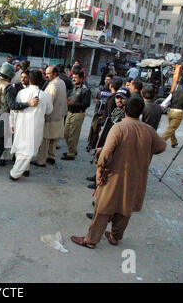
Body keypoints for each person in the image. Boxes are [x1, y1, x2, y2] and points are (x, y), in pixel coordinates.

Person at [71, 97, 166, 249]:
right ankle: (115, 237)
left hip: (115, 175)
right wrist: (143, 150)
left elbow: (106, 153)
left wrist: (100, 171)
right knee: (125, 208)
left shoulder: (120, 127)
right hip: (136, 177)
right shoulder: (148, 130)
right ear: (141, 112)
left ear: (125, 110)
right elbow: (161, 147)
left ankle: (91, 240)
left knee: (103, 208)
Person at [0, 63, 39, 176]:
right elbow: (13, 105)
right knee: (0, 144)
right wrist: (28, 103)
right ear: (10, 75)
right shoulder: (8, 87)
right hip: (2, 117)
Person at [10, 70, 53, 180]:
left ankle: (25, 169)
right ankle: (15, 173)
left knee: (21, 148)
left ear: (29, 79)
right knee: (28, 151)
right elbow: (49, 111)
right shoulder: (45, 96)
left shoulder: (21, 93)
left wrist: (12, 123)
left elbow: (15, 109)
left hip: (21, 124)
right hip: (35, 127)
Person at [35, 66, 67, 166]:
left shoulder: (53, 85)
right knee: (54, 139)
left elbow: (48, 103)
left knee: (45, 140)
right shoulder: (61, 82)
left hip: (50, 117)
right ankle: (51, 157)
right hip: (59, 116)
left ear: (55, 73)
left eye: (48, 73)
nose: (46, 75)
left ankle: (41, 161)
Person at [62, 69, 91, 160]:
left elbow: (86, 104)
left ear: (81, 78)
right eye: (72, 77)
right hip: (69, 112)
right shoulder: (72, 87)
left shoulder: (85, 90)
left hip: (78, 113)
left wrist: (73, 104)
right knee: (66, 133)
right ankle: (72, 149)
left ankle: (71, 153)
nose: (73, 79)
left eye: (75, 78)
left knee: (73, 134)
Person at [161, 80, 183, 148]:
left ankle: (174, 142)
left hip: (171, 111)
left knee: (171, 128)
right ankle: (159, 142)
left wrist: (163, 106)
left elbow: (168, 100)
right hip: (179, 112)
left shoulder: (175, 91)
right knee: (171, 129)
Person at [87, 74, 113, 151]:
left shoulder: (112, 91)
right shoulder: (101, 89)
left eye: (108, 79)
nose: (106, 81)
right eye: (106, 79)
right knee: (93, 128)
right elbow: (95, 98)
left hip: (105, 113)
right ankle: (90, 144)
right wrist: (98, 101)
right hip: (98, 111)